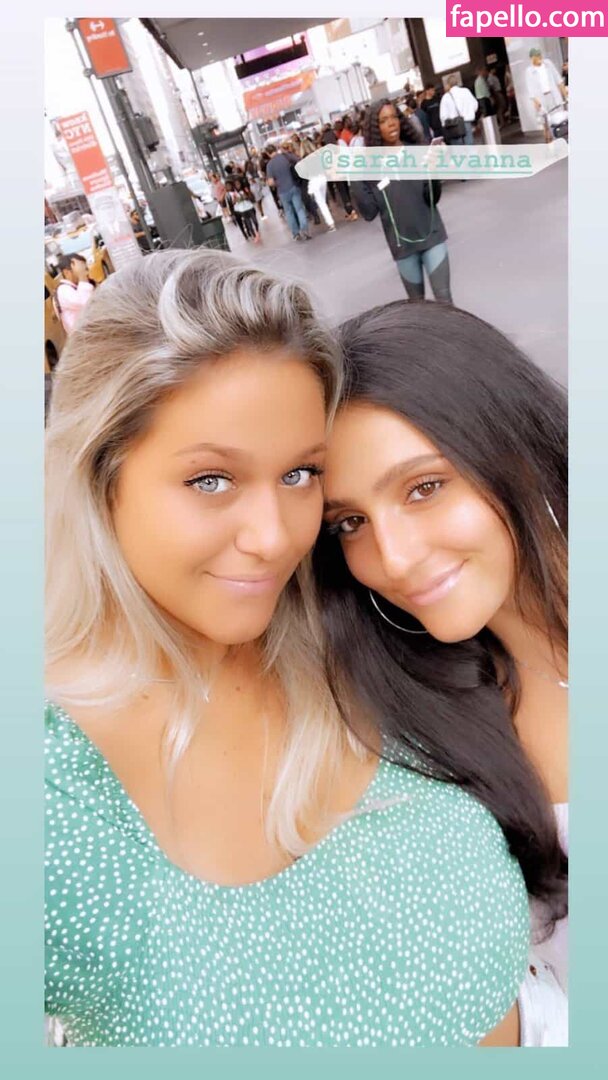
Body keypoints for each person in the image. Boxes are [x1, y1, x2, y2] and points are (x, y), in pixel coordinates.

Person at [45, 249, 529, 1047]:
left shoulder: (363, 616)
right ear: (101, 477)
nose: (275, 539)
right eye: (211, 480)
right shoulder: (52, 790)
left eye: (301, 475)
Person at [315, 300, 569, 1046]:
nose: (392, 559)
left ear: (515, 446)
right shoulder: (412, 726)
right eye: (350, 523)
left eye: (424, 487)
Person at [350, 101, 452, 303]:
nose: (391, 123)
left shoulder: (418, 152)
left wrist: (434, 170)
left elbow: (433, 197)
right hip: (403, 248)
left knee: (445, 300)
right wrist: (353, 177)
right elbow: (369, 212)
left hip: (432, 236)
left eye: (394, 117)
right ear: (375, 128)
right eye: (383, 120)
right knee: (417, 307)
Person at [265, 143, 311, 241]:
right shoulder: (285, 156)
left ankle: (296, 234)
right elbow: (299, 160)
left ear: (268, 153)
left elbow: (271, 182)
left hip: (282, 191)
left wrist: (277, 183)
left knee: (289, 212)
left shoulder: (269, 165)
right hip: (293, 186)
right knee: (299, 209)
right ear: (276, 149)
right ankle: (305, 230)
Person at [525, 48, 568, 137]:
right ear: (532, 58)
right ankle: (549, 143)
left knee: (560, 120)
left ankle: (562, 139)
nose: (539, 57)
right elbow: (530, 89)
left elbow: (558, 80)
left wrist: (566, 96)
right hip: (541, 99)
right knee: (546, 125)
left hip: (553, 96)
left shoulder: (548, 64)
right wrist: (535, 101)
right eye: (537, 56)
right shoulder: (529, 71)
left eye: (540, 55)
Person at [54, 253, 94, 335]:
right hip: (82, 337)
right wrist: (82, 276)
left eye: (85, 268)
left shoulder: (75, 287)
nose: (85, 272)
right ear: (67, 272)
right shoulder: (63, 290)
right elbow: (86, 303)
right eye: (80, 268)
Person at [439, 75, 478, 145]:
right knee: (470, 148)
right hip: (467, 124)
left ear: (448, 85)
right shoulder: (466, 91)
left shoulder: (445, 97)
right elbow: (475, 105)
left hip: (454, 128)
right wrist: (469, 113)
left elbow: (443, 117)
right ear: (457, 82)